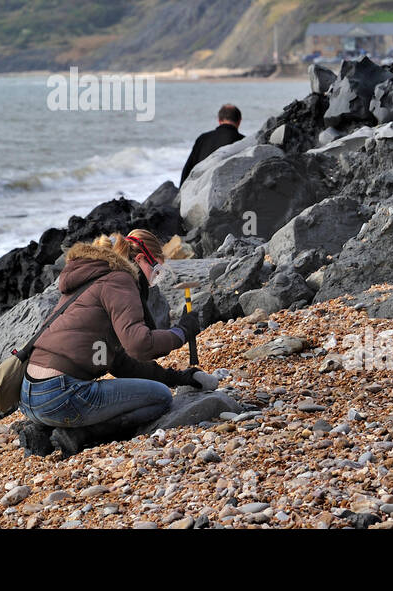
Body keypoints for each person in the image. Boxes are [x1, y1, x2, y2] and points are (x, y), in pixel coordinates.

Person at [16, 228, 216, 457]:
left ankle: (45, 426)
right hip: (60, 394)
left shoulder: (92, 277)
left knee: (156, 388)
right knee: (160, 397)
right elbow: (139, 344)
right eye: (157, 271)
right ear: (140, 260)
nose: (154, 281)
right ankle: (77, 436)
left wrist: (178, 377)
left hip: (30, 396)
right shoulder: (120, 279)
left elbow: (119, 361)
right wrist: (180, 333)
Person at [179, 104, 244, 185]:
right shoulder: (243, 142)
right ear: (239, 121)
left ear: (219, 120)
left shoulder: (203, 138)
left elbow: (187, 170)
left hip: (199, 188)